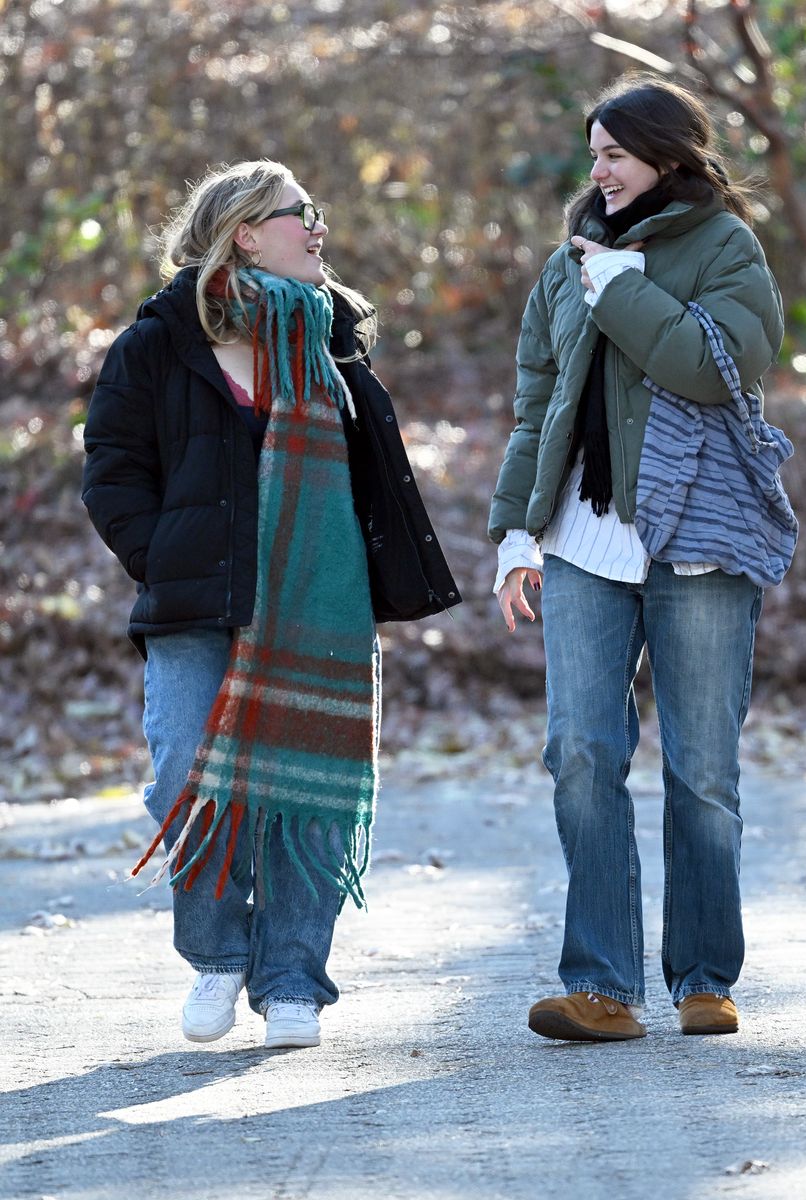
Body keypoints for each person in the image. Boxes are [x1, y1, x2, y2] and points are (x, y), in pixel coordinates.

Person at [82, 160, 459, 1050]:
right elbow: (112, 469)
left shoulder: (333, 338)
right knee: (186, 773)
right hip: (195, 605)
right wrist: (160, 555)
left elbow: (372, 479)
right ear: (247, 231)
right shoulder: (158, 343)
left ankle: (292, 979)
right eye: (304, 213)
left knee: (309, 789)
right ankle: (218, 954)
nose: (318, 228)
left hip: (317, 608)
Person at [489, 76, 786, 1041]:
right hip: (580, 538)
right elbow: (539, 405)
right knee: (581, 755)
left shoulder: (726, 248)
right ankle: (603, 987)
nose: (599, 171)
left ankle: (704, 978)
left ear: (668, 155)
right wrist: (513, 530)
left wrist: (623, 290)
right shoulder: (563, 263)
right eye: (593, 154)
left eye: (615, 152)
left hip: (697, 539)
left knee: (702, 771)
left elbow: (712, 367)